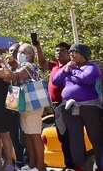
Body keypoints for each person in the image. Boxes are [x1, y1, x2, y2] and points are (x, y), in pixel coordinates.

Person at [50, 44, 103, 171]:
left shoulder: (92, 67)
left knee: (96, 137)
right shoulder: (67, 67)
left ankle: (101, 165)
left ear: (84, 55)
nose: (72, 54)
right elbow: (56, 81)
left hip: (90, 107)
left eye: (75, 52)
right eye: (71, 52)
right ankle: (80, 166)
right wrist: (65, 69)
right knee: (75, 138)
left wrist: (72, 70)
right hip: (69, 108)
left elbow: (87, 79)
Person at [42, 39, 75, 170]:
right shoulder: (54, 66)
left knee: (72, 137)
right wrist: (38, 46)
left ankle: (76, 165)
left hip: (68, 105)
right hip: (56, 107)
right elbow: (42, 63)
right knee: (63, 137)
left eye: (62, 51)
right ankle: (68, 165)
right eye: (57, 50)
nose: (59, 53)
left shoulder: (72, 67)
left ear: (69, 53)